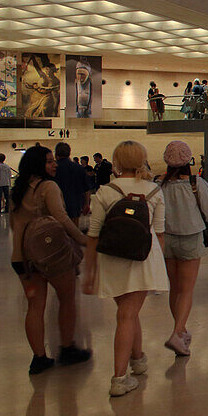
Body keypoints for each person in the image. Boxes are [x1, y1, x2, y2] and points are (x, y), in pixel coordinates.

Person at [83, 141, 168, 397]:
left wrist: (89, 271)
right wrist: (157, 264)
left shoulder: (106, 192)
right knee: (128, 314)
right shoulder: (153, 191)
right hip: (142, 258)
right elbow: (160, 233)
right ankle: (120, 377)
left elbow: (93, 235)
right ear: (142, 160)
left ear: (116, 162)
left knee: (127, 311)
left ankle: (138, 359)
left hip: (113, 257)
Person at [9, 145, 92, 375]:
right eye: (49, 161)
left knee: (34, 306)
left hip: (23, 257)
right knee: (67, 299)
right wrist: (82, 240)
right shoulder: (48, 187)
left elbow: (12, 224)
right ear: (38, 166)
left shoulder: (17, 190)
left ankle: (39, 358)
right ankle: (67, 348)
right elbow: (62, 218)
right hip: (52, 255)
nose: (54, 164)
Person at [158, 140, 208, 356]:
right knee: (186, 289)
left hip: (166, 239)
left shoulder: (159, 185)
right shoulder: (197, 183)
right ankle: (176, 333)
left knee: (174, 288)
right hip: (191, 238)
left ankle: (181, 331)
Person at [53, 142, 90, 225]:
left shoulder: (53, 168)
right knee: (74, 231)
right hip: (75, 205)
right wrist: (86, 204)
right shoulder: (79, 168)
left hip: (57, 206)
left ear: (56, 154)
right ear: (69, 152)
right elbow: (86, 189)